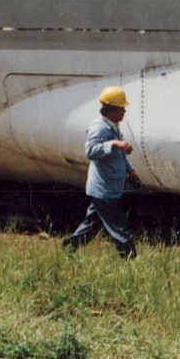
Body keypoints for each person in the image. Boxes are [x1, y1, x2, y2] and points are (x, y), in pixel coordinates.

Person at [61, 86, 140, 258]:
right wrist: (114, 144)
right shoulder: (99, 128)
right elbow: (91, 151)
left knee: (91, 225)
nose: (125, 111)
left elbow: (119, 155)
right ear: (112, 110)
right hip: (104, 189)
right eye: (122, 108)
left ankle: (69, 247)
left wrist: (130, 171)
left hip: (108, 187)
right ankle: (130, 259)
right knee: (119, 226)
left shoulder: (112, 126)